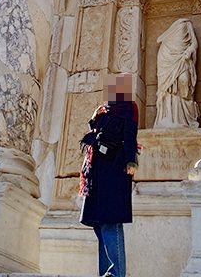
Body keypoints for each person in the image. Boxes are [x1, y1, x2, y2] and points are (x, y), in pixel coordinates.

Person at [79, 73, 139, 277]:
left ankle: (116, 273)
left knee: (110, 221)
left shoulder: (129, 109)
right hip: (97, 171)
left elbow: (130, 135)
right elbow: (96, 132)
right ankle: (104, 272)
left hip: (115, 169)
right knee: (98, 222)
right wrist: (94, 117)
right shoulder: (105, 111)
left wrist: (131, 161)